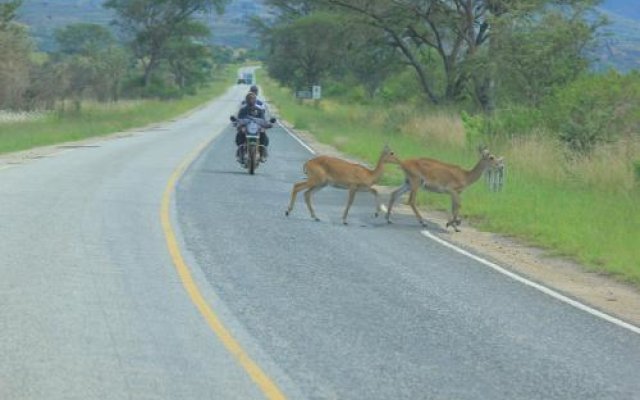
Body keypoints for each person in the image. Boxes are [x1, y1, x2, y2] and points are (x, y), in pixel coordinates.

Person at [236, 92, 270, 161]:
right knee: (240, 134)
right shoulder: (243, 109)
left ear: (255, 100)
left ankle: (262, 152)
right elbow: (239, 119)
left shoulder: (259, 109)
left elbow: (263, 120)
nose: (251, 100)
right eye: (249, 98)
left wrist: (265, 126)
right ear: (246, 100)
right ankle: (241, 151)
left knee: (263, 134)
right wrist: (239, 126)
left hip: (256, 128)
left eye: (252, 98)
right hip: (246, 128)